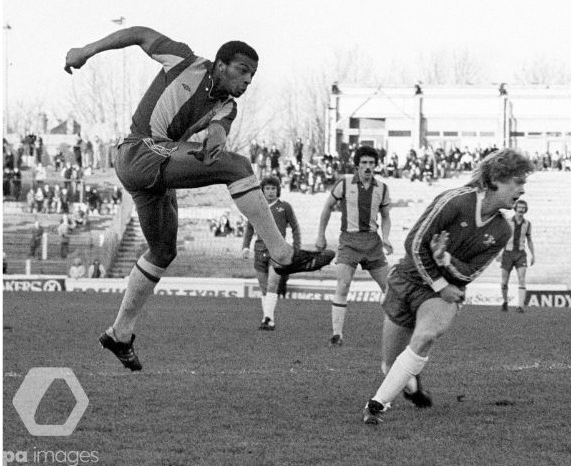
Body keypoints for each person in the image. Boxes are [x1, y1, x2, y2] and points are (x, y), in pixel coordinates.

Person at [65, 25, 334, 371]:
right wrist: (86, 50)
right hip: (138, 151)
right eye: (242, 71)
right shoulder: (184, 60)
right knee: (238, 166)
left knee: (163, 251)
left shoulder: (226, 106)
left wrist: (214, 141)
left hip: (155, 170)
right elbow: (138, 34)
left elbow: (220, 128)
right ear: (220, 65)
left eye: (252, 77)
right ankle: (281, 253)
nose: (247, 81)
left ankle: (120, 333)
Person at [362, 148, 534, 425]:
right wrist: (440, 279)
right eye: (518, 182)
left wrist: (446, 259)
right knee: (389, 366)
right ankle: (413, 387)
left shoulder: (503, 230)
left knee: (426, 336)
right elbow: (414, 243)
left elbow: (469, 273)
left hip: (443, 294)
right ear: (497, 180)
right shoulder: (455, 201)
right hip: (407, 280)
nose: (522, 190)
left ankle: (377, 405)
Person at [316, 145, 393, 346]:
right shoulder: (344, 184)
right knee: (343, 285)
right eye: (364, 163)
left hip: (373, 243)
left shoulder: (382, 188)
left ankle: (395, 331)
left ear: (376, 165)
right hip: (349, 242)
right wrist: (320, 235)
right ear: (357, 165)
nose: (368, 167)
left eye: (371, 163)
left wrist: (386, 237)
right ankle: (337, 334)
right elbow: (327, 207)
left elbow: (386, 217)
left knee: (390, 288)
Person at [241, 176, 311, 331]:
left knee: (273, 284)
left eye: (273, 188)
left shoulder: (285, 207)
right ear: (262, 190)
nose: (271, 192)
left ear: (278, 190)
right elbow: (249, 229)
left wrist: (296, 247)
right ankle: (267, 319)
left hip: (278, 251)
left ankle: (268, 319)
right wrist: (245, 246)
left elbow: (295, 228)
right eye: (268, 188)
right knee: (263, 286)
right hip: (259, 249)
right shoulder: (256, 207)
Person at [500, 200, 535, 312]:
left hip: (520, 254)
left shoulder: (527, 224)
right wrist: (499, 253)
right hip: (508, 254)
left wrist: (533, 255)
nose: (521, 209)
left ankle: (520, 306)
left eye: (523, 208)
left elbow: (529, 240)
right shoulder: (508, 221)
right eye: (519, 207)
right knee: (504, 282)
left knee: (522, 278)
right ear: (515, 208)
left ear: (525, 210)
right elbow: (501, 238)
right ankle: (505, 301)